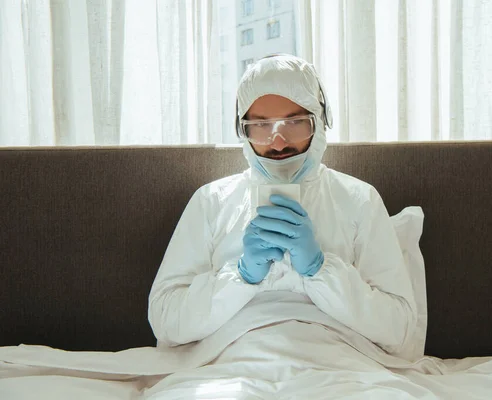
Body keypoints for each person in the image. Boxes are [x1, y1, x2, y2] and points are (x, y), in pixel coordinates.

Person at [146, 55, 419, 388]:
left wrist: (321, 270)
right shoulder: (211, 202)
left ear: (319, 120)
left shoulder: (358, 199)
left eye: (294, 122)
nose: (277, 141)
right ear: (241, 130)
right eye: (260, 126)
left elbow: (400, 328)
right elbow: (165, 319)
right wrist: (241, 276)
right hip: (230, 360)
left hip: (342, 362)